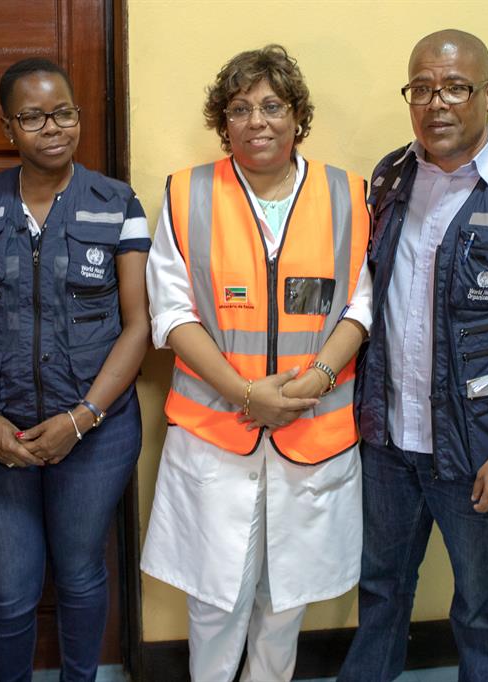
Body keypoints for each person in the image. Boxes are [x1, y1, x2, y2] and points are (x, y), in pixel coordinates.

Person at [340, 30, 488, 682]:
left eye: (454, 88)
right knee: (380, 588)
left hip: (478, 449)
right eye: (421, 89)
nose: (436, 103)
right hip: (388, 442)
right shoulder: (391, 178)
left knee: (479, 606)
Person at [140, 44, 371, 682]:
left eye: (272, 106)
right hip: (218, 435)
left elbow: (360, 306)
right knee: (215, 601)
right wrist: (247, 395)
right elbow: (172, 314)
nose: (257, 121)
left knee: (285, 599)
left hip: (312, 430)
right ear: (224, 122)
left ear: (297, 115)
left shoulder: (347, 194)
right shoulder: (188, 193)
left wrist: (315, 380)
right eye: (240, 108)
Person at [0, 58, 150, 680]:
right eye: (33, 117)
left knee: (82, 572)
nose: (53, 128)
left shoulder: (117, 203)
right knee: (9, 589)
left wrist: (81, 418)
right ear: (8, 127)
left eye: (63, 113)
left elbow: (138, 325)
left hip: (97, 432)